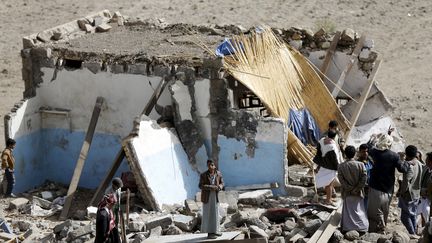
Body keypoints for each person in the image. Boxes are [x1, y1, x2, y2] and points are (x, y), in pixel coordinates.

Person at [366, 132, 409, 233]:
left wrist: (374, 138)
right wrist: (406, 161)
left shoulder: (374, 152)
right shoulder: (394, 156)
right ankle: (382, 228)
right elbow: (402, 169)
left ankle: (372, 230)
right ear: (390, 144)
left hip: (374, 186)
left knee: (373, 210)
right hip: (387, 188)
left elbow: (369, 146)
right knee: (385, 210)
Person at [338, 146, 369, 233]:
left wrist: (349, 188)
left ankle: (348, 228)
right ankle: (362, 227)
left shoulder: (341, 166)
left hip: (347, 193)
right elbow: (364, 178)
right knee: (359, 210)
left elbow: (341, 180)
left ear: (345, 154)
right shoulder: (361, 165)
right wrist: (357, 189)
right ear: (355, 153)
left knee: (348, 211)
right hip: (358, 192)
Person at [397, 145, 422, 238]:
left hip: (409, 195)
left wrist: (401, 192)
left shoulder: (410, 165)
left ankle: (412, 233)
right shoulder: (419, 163)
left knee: (404, 216)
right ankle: (414, 231)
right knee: (412, 214)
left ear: (407, 154)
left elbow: (406, 182)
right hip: (416, 193)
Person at [314, 130, 343, 205]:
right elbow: (335, 158)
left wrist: (319, 165)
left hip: (323, 165)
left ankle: (328, 198)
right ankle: (328, 200)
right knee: (330, 184)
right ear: (334, 136)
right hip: (331, 167)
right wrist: (338, 167)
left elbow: (318, 153)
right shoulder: (332, 146)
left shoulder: (321, 141)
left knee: (328, 183)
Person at [199, 159, 224, 239]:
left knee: (215, 213)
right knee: (208, 214)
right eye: (209, 165)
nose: (211, 166)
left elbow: (222, 183)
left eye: (212, 165)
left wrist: (219, 187)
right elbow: (200, 186)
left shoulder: (218, 174)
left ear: (215, 166)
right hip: (207, 197)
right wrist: (211, 187)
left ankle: (215, 231)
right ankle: (210, 233)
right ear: (207, 166)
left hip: (215, 196)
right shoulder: (203, 175)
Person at [357, 144, 374, 208]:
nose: (365, 153)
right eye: (363, 151)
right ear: (360, 152)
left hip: (369, 186)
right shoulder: (358, 163)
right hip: (361, 187)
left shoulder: (370, 160)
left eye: (367, 151)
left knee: (366, 203)